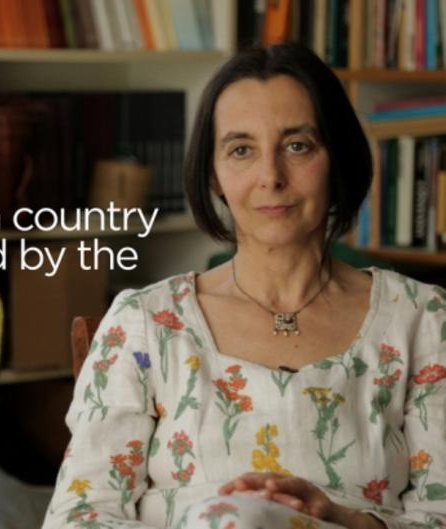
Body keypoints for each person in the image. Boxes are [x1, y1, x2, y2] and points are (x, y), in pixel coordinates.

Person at [41, 43, 446, 529]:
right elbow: (79, 517)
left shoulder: (424, 320)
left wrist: (347, 522)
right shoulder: (143, 325)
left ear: (337, 157)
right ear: (212, 174)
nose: (270, 177)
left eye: (298, 145)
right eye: (241, 150)